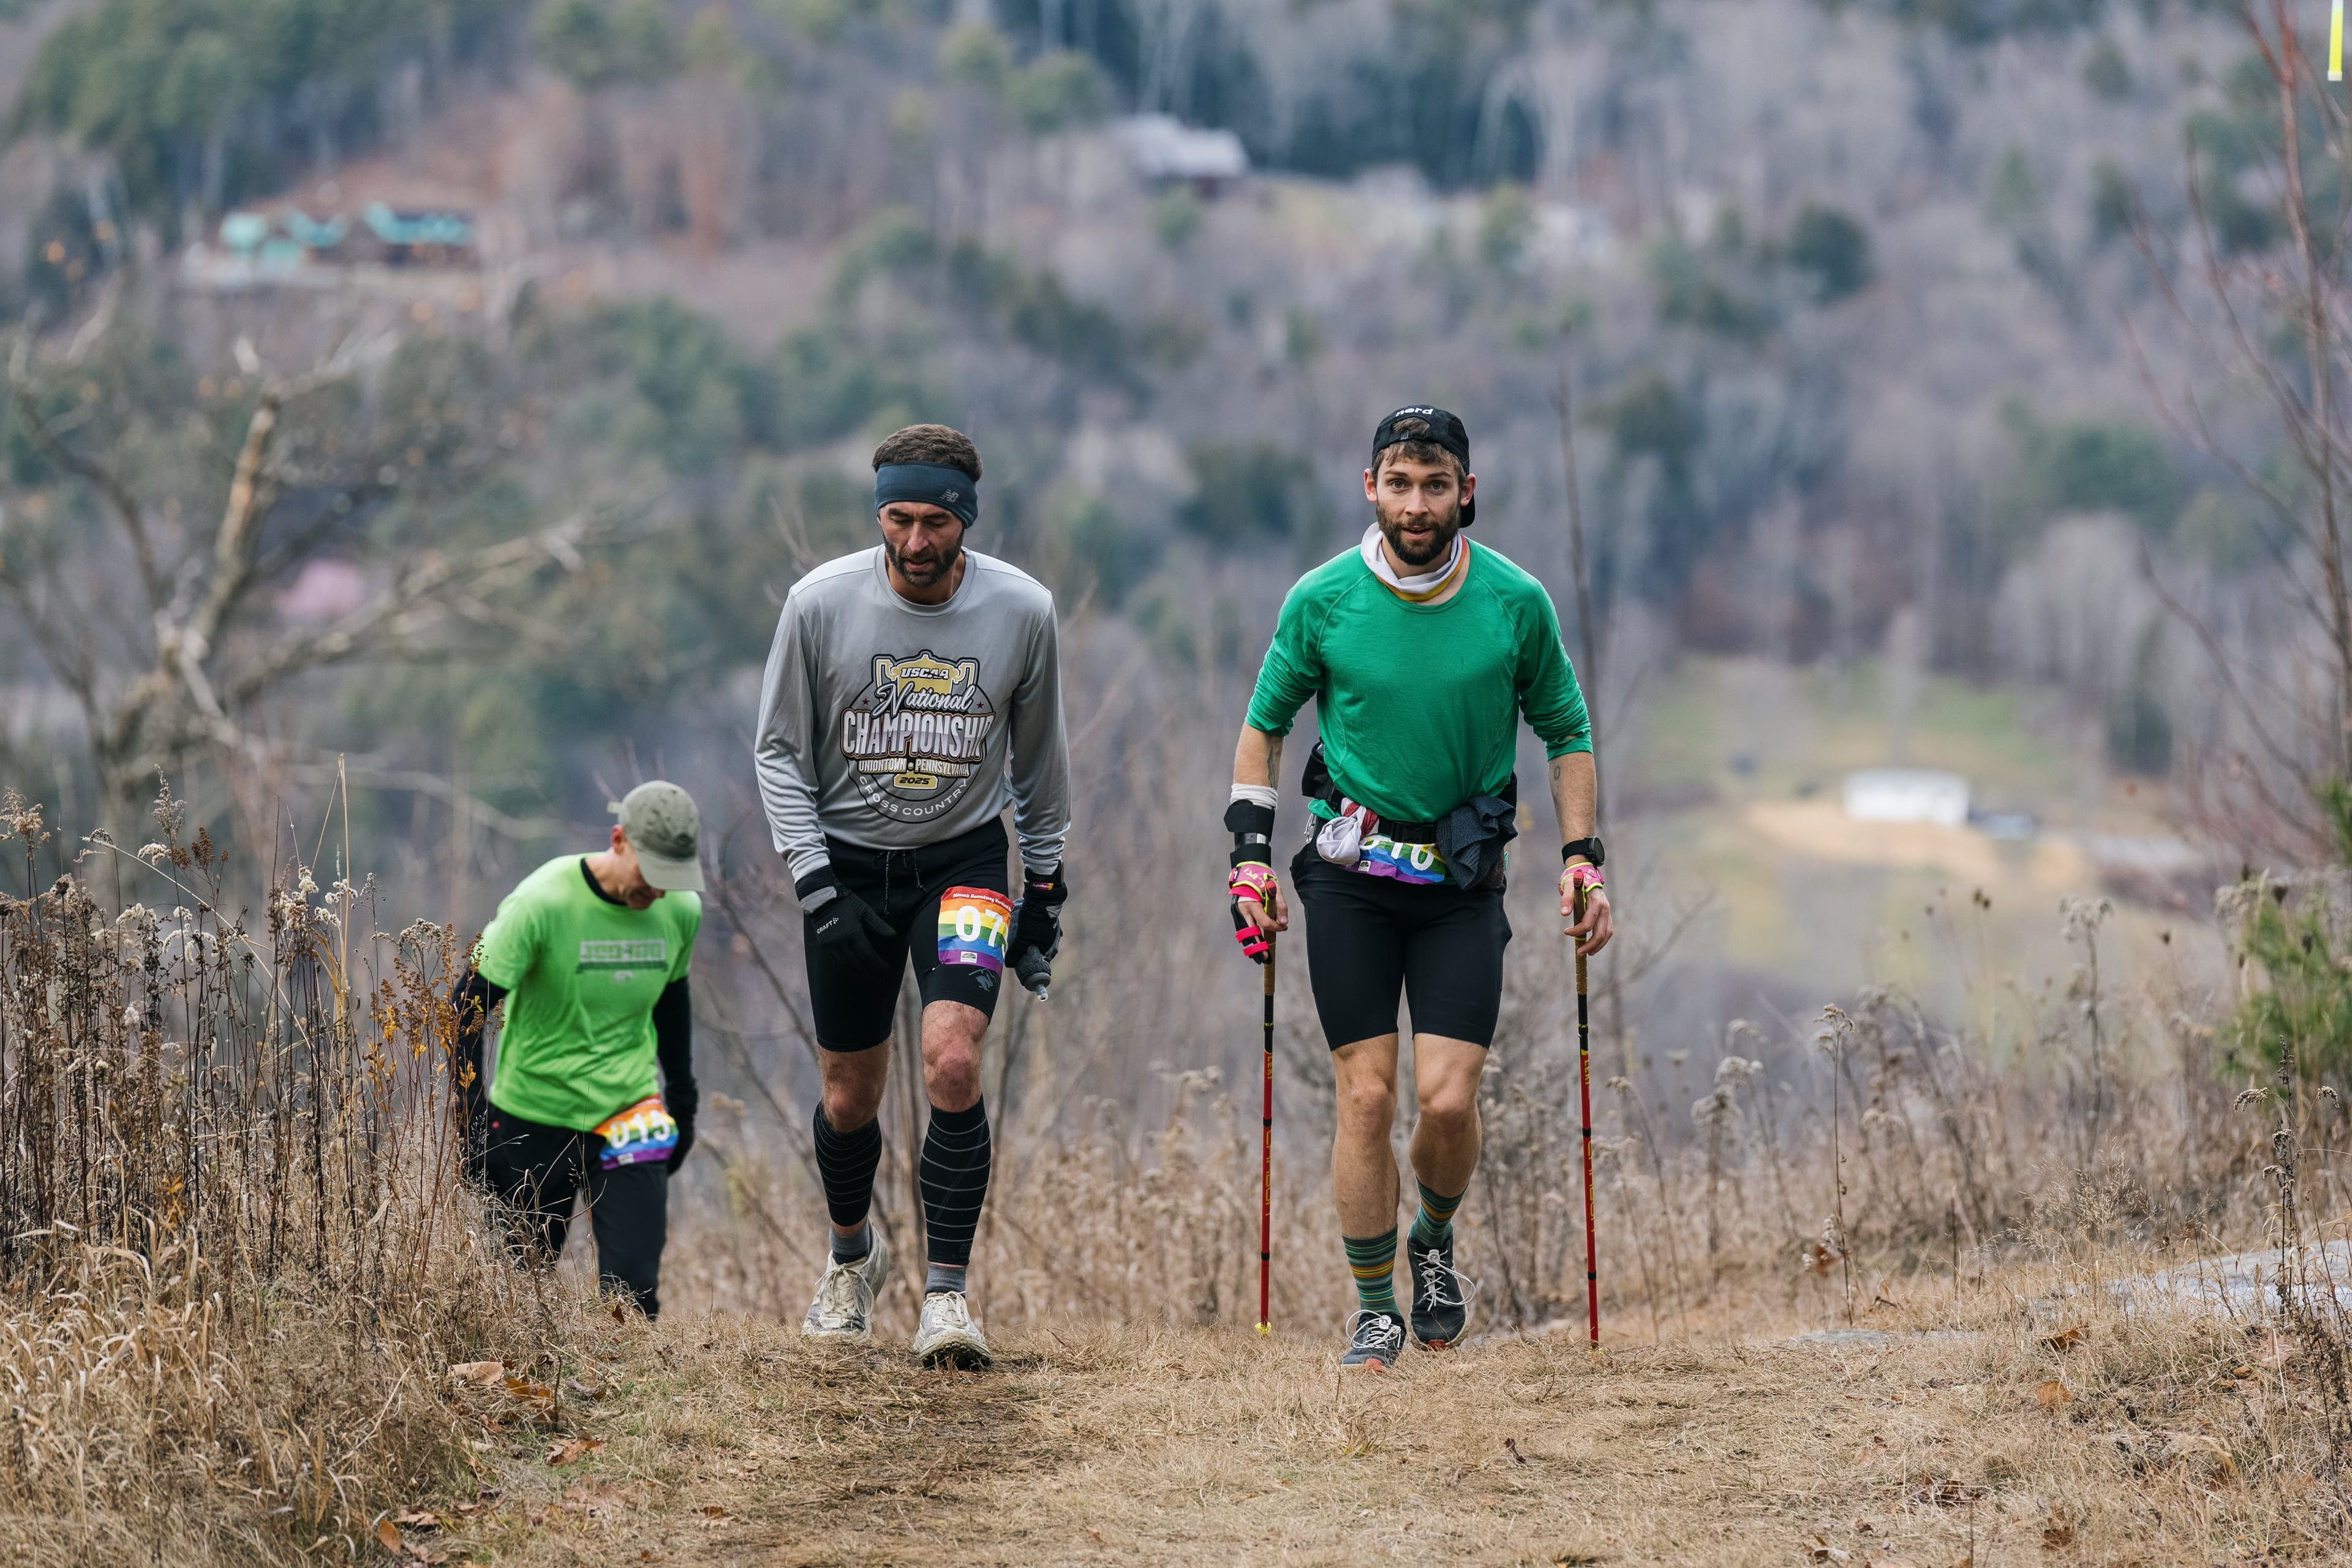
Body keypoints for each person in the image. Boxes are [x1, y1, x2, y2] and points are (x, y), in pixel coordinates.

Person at [1225, 406, 1615, 1370]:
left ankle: (1432, 1239)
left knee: (1445, 1102)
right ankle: (1372, 1306)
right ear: (1370, 488)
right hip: (1350, 877)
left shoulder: (1515, 603)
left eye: (1436, 485)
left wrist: (1582, 858)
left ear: (1466, 492)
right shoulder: (1322, 600)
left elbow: (1567, 731)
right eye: (1399, 484)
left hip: (1459, 881)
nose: (1417, 504)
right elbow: (1263, 727)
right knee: (1366, 1098)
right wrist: (1247, 857)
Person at [753, 423, 1071, 1368]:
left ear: (967, 521)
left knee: (952, 1065)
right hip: (846, 870)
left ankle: (947, 1297)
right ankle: (851, 1260)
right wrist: (815, 884)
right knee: (850, 1097)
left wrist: (1046, 884)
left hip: (962, 864)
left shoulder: (1023, 611)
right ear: (878, 515)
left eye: (937, 522)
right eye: (899, 519)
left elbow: (1040, 761)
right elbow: (777, 753)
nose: (917, 543)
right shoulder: (819, 605)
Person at [452, 780, 705, 1321]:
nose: (660, 891)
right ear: (619, 840)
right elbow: (466, 1007)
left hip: (630, 1110)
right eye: (652, 873)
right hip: (531, 1117)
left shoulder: (682, 911)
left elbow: (672, 1003)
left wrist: (683, 1102)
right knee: (517, 1300)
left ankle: (635, 1404)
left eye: (674, 878)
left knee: (633, 1304)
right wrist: (472, 1127)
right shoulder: (540, 902)